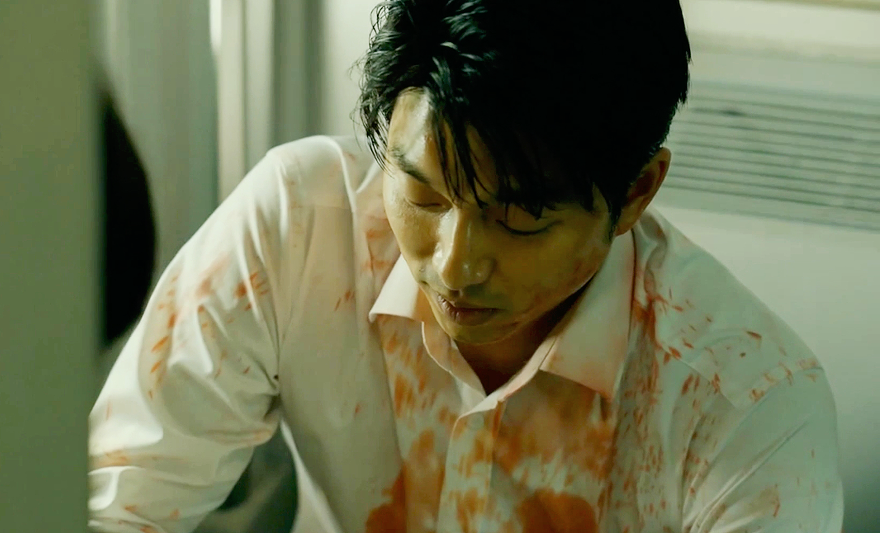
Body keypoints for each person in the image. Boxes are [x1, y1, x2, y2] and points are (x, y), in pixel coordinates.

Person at [89, 0, 844, 531]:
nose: (456, 264)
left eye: (521, 218)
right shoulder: (301, 226)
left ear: (636, 193)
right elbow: (118, 504)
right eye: (422, 193)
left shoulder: (747, 403)